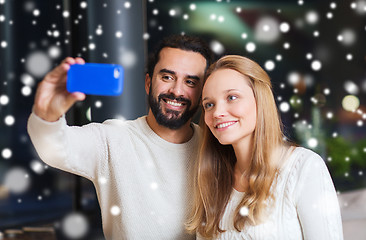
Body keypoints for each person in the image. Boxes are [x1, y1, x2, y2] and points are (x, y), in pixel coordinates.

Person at [27, 34, 214, 240]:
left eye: (190, 82)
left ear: (202, 93)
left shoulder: (214, 148)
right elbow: (53, 148)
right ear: (148, 83)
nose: (177, 91)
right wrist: (47, 112)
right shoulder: (113, 139)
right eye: (167, 77)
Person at [186, 55, 344, 239]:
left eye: (232, 97)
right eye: (209, 104)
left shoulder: (305, 167)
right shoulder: (212, 180)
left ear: (260, 100)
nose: (217, 113)